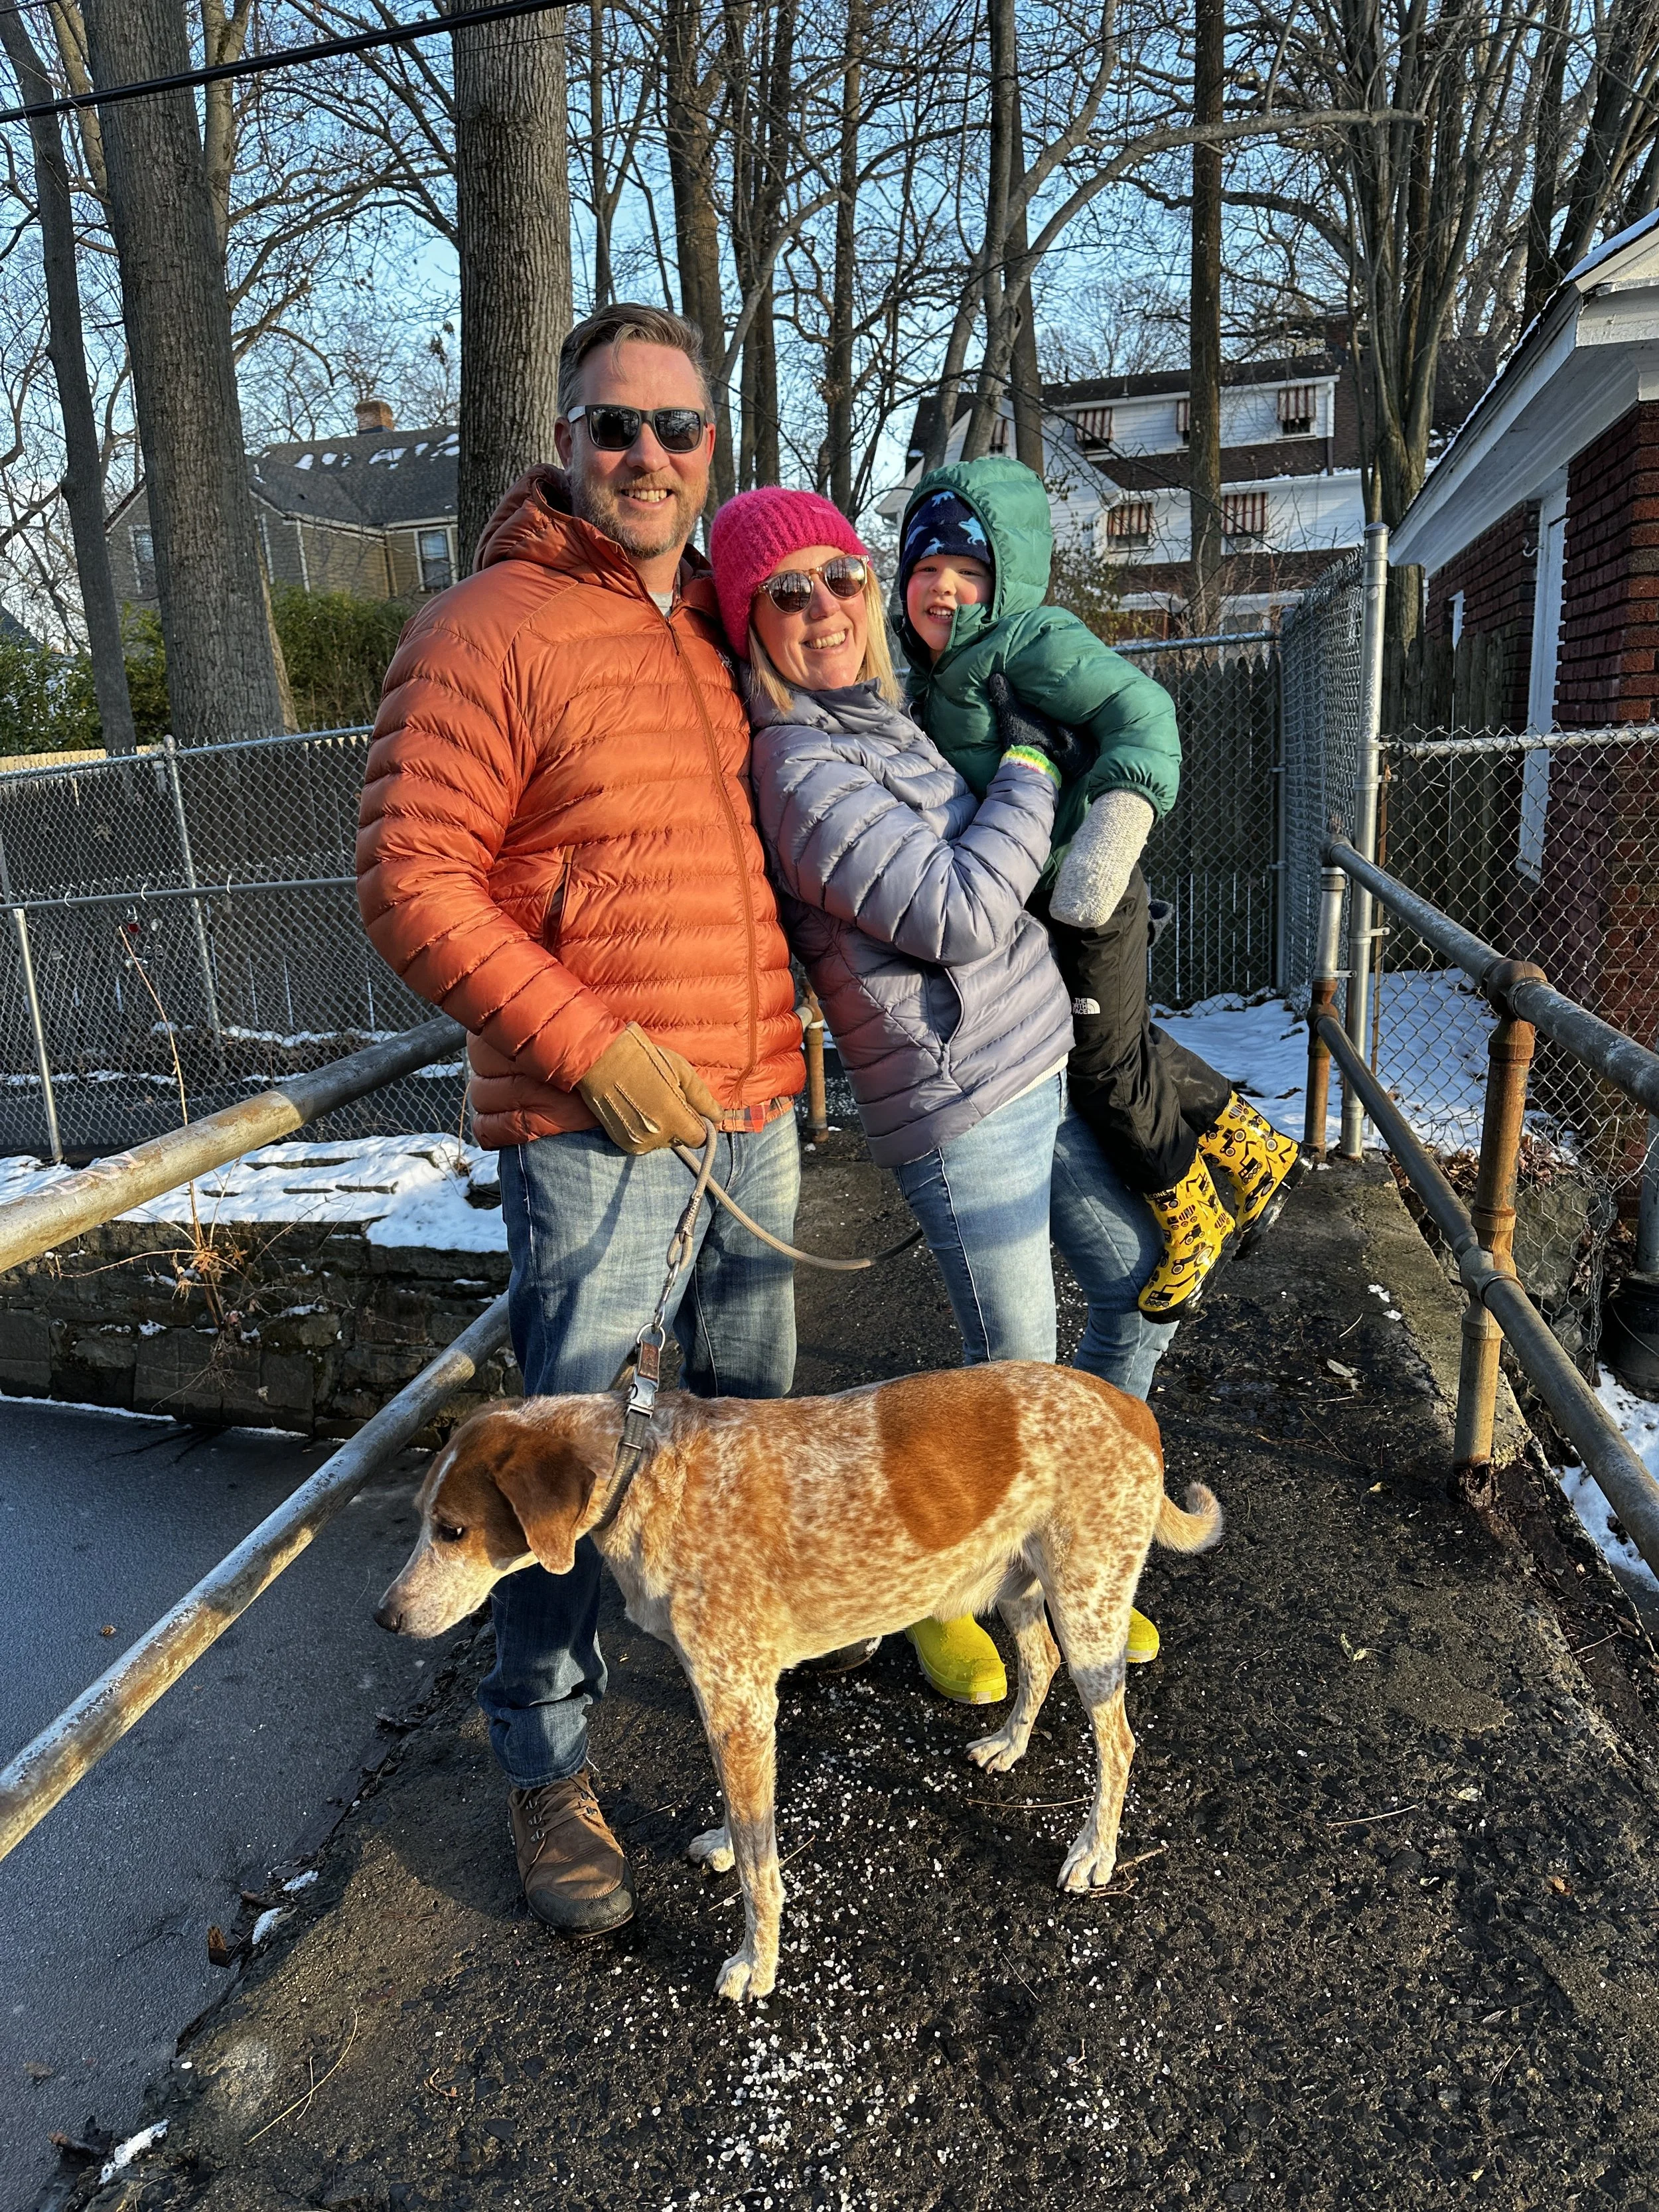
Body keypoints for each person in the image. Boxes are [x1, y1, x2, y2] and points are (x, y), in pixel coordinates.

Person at [357, 305, 806, 1941]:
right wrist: (587, 1042)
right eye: (613, 427)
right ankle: (548, 1774)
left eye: (677, 430)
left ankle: (732, 1706)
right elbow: (408, 881)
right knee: (559, 1482)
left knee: (737, 1463)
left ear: (712, 448)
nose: (646, 457)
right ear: (564, 439)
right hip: (595, 1131)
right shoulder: (485, 629)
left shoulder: (718, 630)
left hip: (749, 1115)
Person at [709, 484, 1171, 1705]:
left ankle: (1081, 1537)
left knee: (1139, 1278)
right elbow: (963, 912)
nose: (825, 607)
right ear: (751, 620)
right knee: (1006, 1373)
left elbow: (988, 864)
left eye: (843, 578)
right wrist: (1032, 758)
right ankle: (945, 1598)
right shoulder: (796, 762)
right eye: (787, 592)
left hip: (1033, 1067)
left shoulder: (888, 717)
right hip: (958, 1101)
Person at [895, 455, 1303, 1319]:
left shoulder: (1028, 641)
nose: (943, 589)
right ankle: (1252, 1146)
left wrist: (1112, 835)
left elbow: (1143, 712)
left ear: (1003, 581)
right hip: (1031, 898)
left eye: (967, 572)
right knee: (1121, 1040)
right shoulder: (925, 674)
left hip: (1087, 888)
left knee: (1104, 1070)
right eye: (925, 569)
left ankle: (1189, 1211)